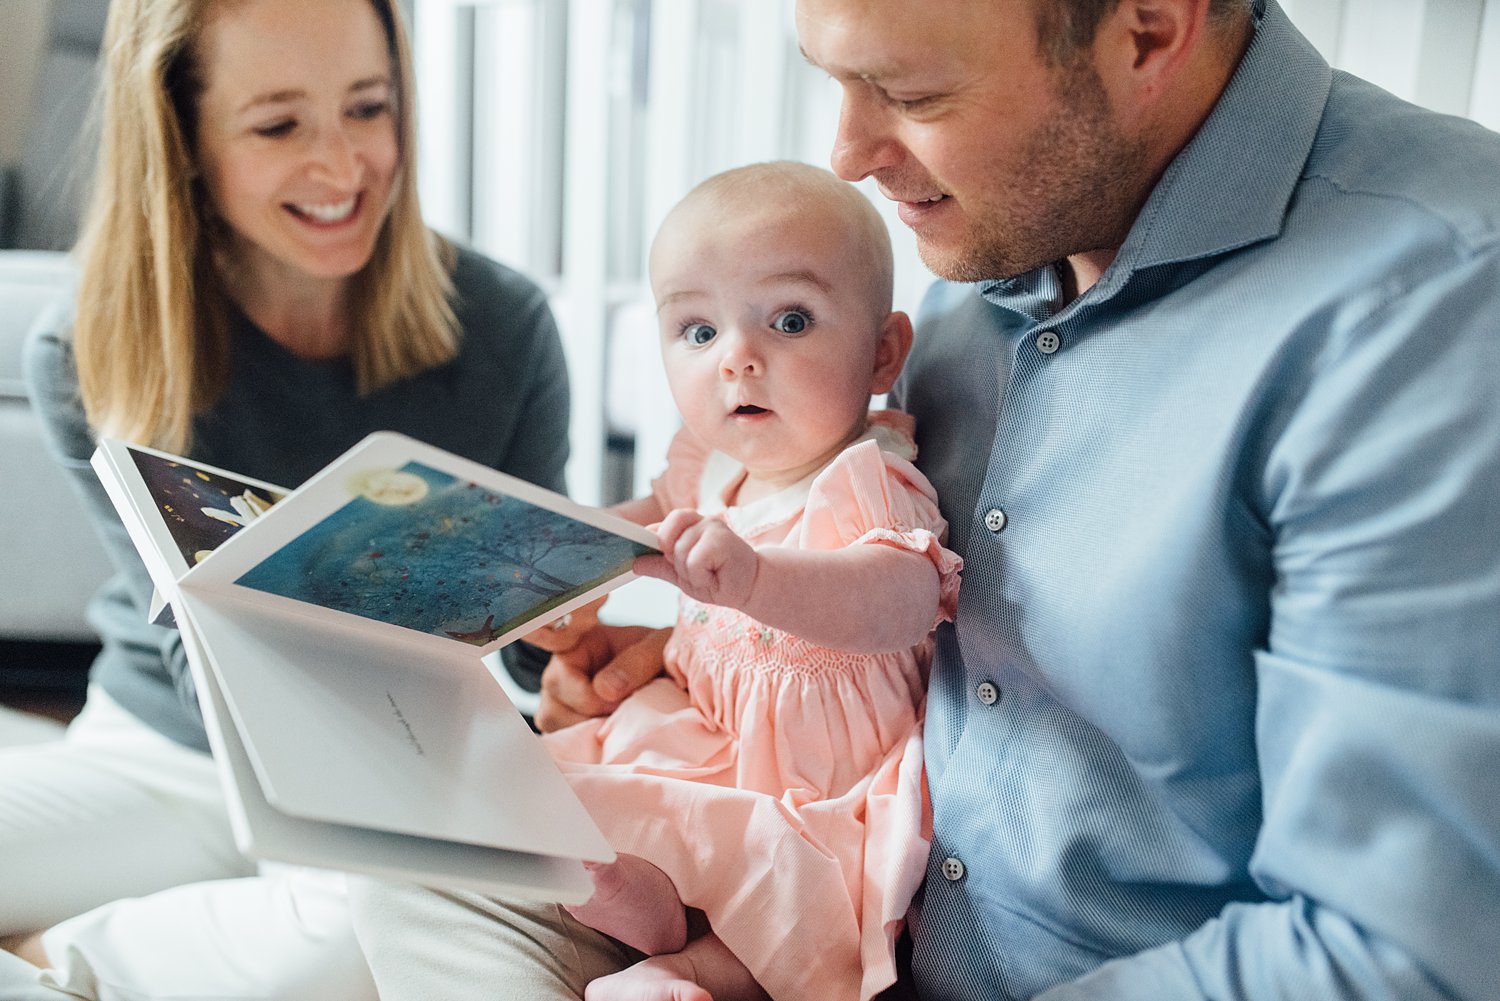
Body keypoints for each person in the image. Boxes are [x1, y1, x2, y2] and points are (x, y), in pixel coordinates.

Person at [356, 0, 1500, 999]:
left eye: (908, 91)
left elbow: (1398, 953)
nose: (849, 154)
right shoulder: (981, 255)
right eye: (835, 79)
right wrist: (673, 654)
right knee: (401, 838)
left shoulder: (1430, 307)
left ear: (1148, 28)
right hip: (771, 888)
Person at [0, 0, 569, 997]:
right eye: (277, 125)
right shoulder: (89, 350)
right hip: (164, 750)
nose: (343, 167)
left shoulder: (506, 327)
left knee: (373, 937)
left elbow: (526, 652)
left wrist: (577, 632)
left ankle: (69, 954)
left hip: (393, 769)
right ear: (182, 141)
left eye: (367, 107)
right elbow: (194, 661)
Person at [353, 162, 961, 1001]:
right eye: (699, 331)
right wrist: (545, 562)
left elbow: (905, 599)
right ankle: (648, 910)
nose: (738, 359)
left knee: (797, 888)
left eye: (789, 320)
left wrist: (758, 580)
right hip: (707, 733)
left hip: (824, 780)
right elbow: (623, 526)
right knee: (601, 782)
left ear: (882, 351)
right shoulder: (708, 465)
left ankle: (686, 972)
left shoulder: (867, 475)